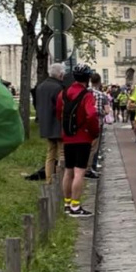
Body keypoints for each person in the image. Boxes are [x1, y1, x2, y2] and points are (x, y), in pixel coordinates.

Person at [56, 63, 99, 217]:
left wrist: (65, 129)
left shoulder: (64, 93)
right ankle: (76, 206)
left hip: (68, 137)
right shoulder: (87, 95)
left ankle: (67, 203)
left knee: (68, 171)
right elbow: (91, 115)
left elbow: (58, 112)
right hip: (83, 137)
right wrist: (94, 132)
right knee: (79, 172)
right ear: (87, 78)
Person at [35, 63, 66, 183]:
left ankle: (49, 180)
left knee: (50, 154)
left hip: (46, 124)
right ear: (60, 74)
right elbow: (61, 107)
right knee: (62, 153)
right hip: (58, 124)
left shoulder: (41, 86)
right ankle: (61, 179)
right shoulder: (58, 88)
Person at [86, 73, 110, 179]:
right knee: (94, 148)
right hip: (97, 122)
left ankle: (86, 166)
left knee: (86, 146)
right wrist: (101, 113)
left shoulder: (86, 92)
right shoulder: (102, 95)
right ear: (99, 81)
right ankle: (91, 167)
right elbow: (107, 111)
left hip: (85, 123)